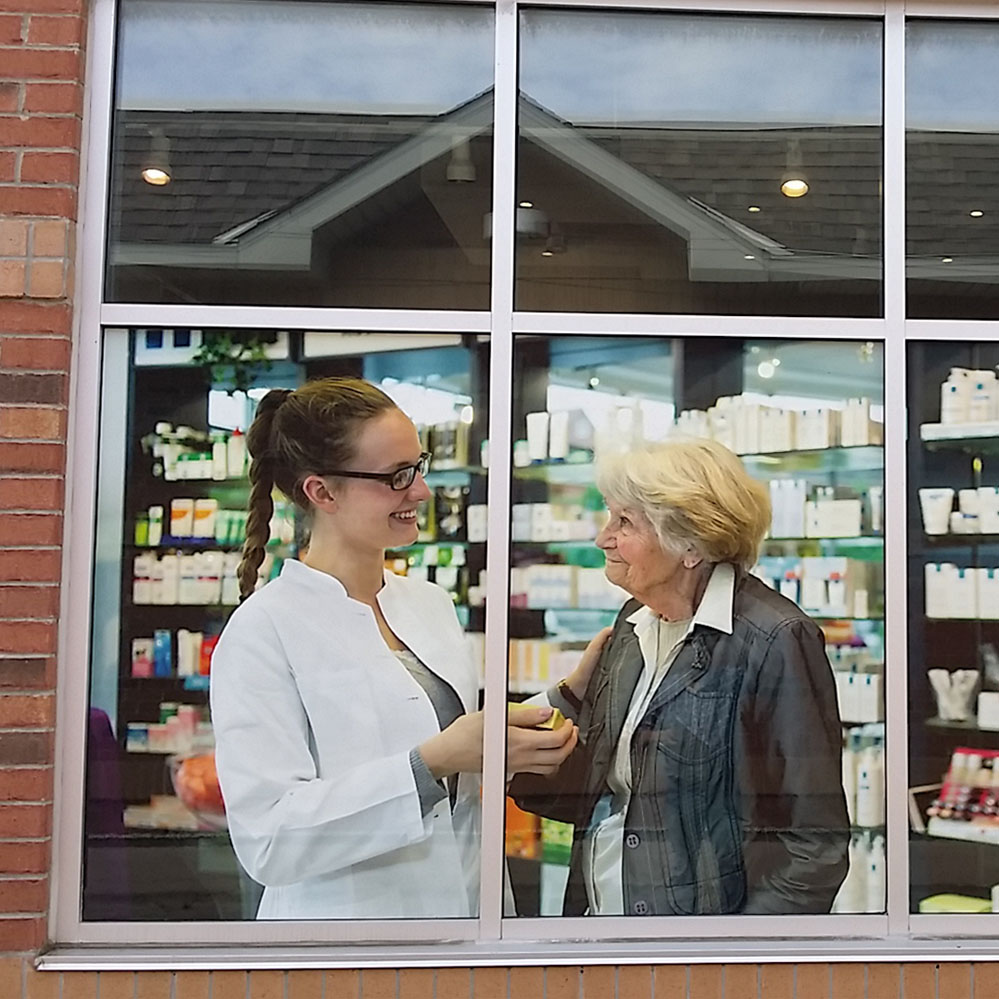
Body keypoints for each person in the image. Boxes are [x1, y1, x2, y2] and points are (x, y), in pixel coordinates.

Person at [210, 377, 580, 919]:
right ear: (322, 492)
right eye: (396, 477)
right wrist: (431, 763)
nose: (421, 492)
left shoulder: (428, 603)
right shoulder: (263, 631)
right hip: (345, 938)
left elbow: (461, 759)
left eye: (419, 466)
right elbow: (270, 838)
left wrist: (565, 695)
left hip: (470, 921)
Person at [511, 437, 850, 916]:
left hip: (696, 953)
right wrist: (564, 700)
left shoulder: (774, 640)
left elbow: (813, 844)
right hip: (600, 925)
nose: (602, 538)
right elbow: (593, 791)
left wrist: (736, 963)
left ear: (690, 544)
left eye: (624, 522)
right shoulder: (632, 623)